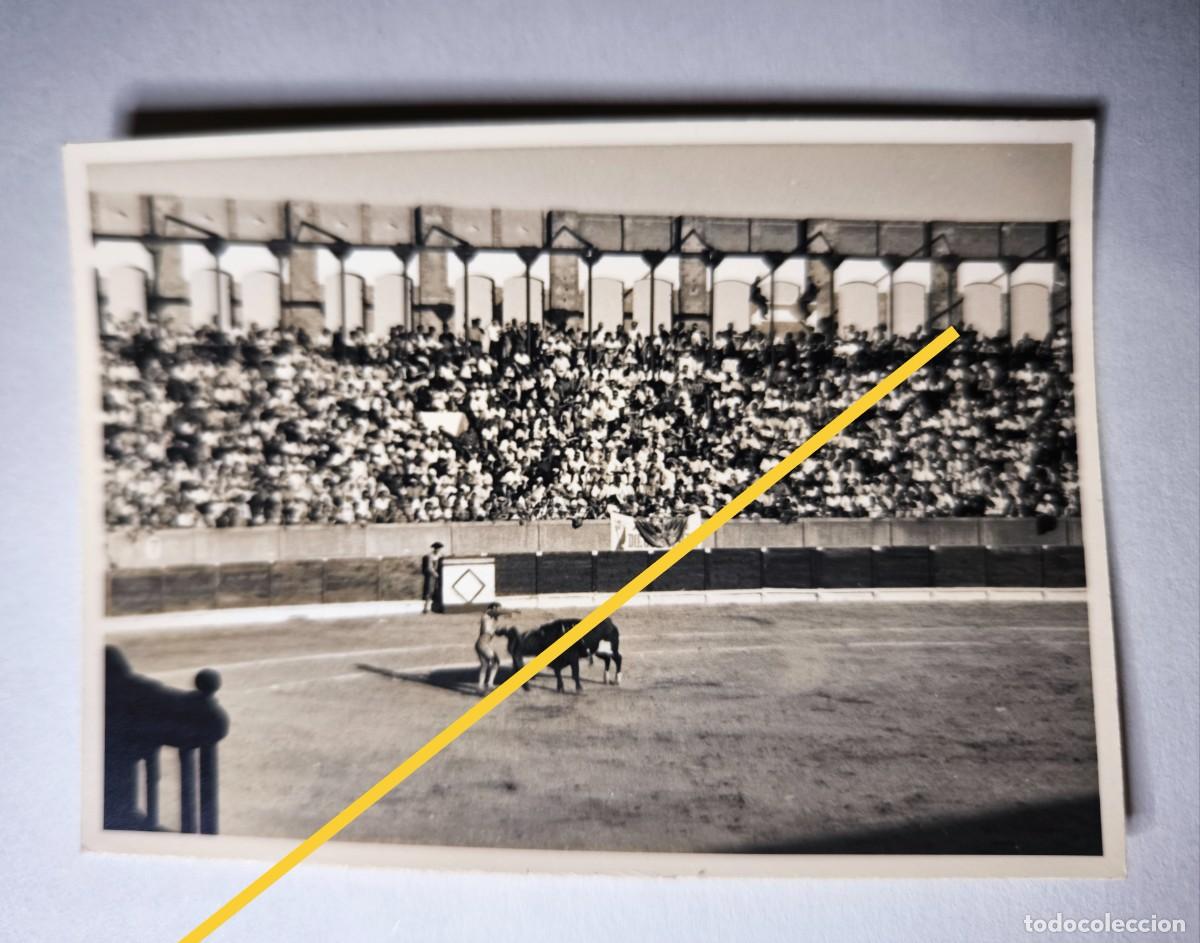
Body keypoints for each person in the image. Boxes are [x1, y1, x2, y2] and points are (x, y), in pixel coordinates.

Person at [475, 602, 504, 693]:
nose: (499, 612)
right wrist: (495, 631)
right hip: (482, 645)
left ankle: (481, 686)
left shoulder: (492, 618)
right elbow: (486, 630)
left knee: (485, 665)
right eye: (498, 609)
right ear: (493, 608)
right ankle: (489, 684)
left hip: (481, 644)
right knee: (495, 662)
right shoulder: (486, 617)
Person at [421, 541, 444, 614]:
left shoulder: (441, 555)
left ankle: (437, 607)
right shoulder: (429, 556)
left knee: (439, 591)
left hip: (439, 576)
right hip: (431, 576)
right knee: (429, 591)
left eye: (438, 548)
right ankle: (425, 608)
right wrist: (434, 573)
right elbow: (429, 567)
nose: (437, 549)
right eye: (436, 548)